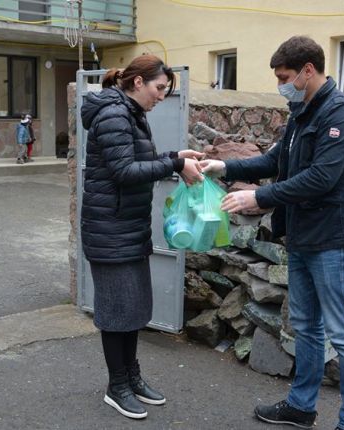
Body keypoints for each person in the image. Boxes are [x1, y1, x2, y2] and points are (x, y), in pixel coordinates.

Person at [201, 36, 344, 430]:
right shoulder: (300, 112)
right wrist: (223, 168)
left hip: (334, 240)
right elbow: (276, 160)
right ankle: (301, 407)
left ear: (308, 70)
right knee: (307, 327)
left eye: (285, 77)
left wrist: (259, 196)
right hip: (303, 236)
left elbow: (321, 178)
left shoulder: (342, 113)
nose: (281, 84)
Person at [80, 54, 203, 420]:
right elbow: (123, 170)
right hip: (110, 229)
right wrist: (176, 165)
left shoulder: (131, 114)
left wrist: (174, 156)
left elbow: (139, 159)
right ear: (137, 83)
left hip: (127, 227)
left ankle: (131, 378)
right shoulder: (113, 114)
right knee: (116, 311)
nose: (161, 96)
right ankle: (116, 386)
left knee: (132, 310)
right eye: (159, 88)